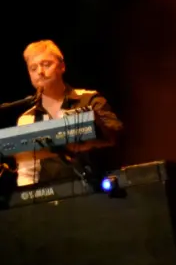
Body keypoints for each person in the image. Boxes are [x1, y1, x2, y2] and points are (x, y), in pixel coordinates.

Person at [14, 40, 123, 187]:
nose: (40, 72)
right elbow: (27, 174)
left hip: (99, 189)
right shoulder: (27, 119)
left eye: (46, 64)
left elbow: (116, 136)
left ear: (62, 66)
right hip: (55, 200)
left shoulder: (90, 100)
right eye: (33, 68)